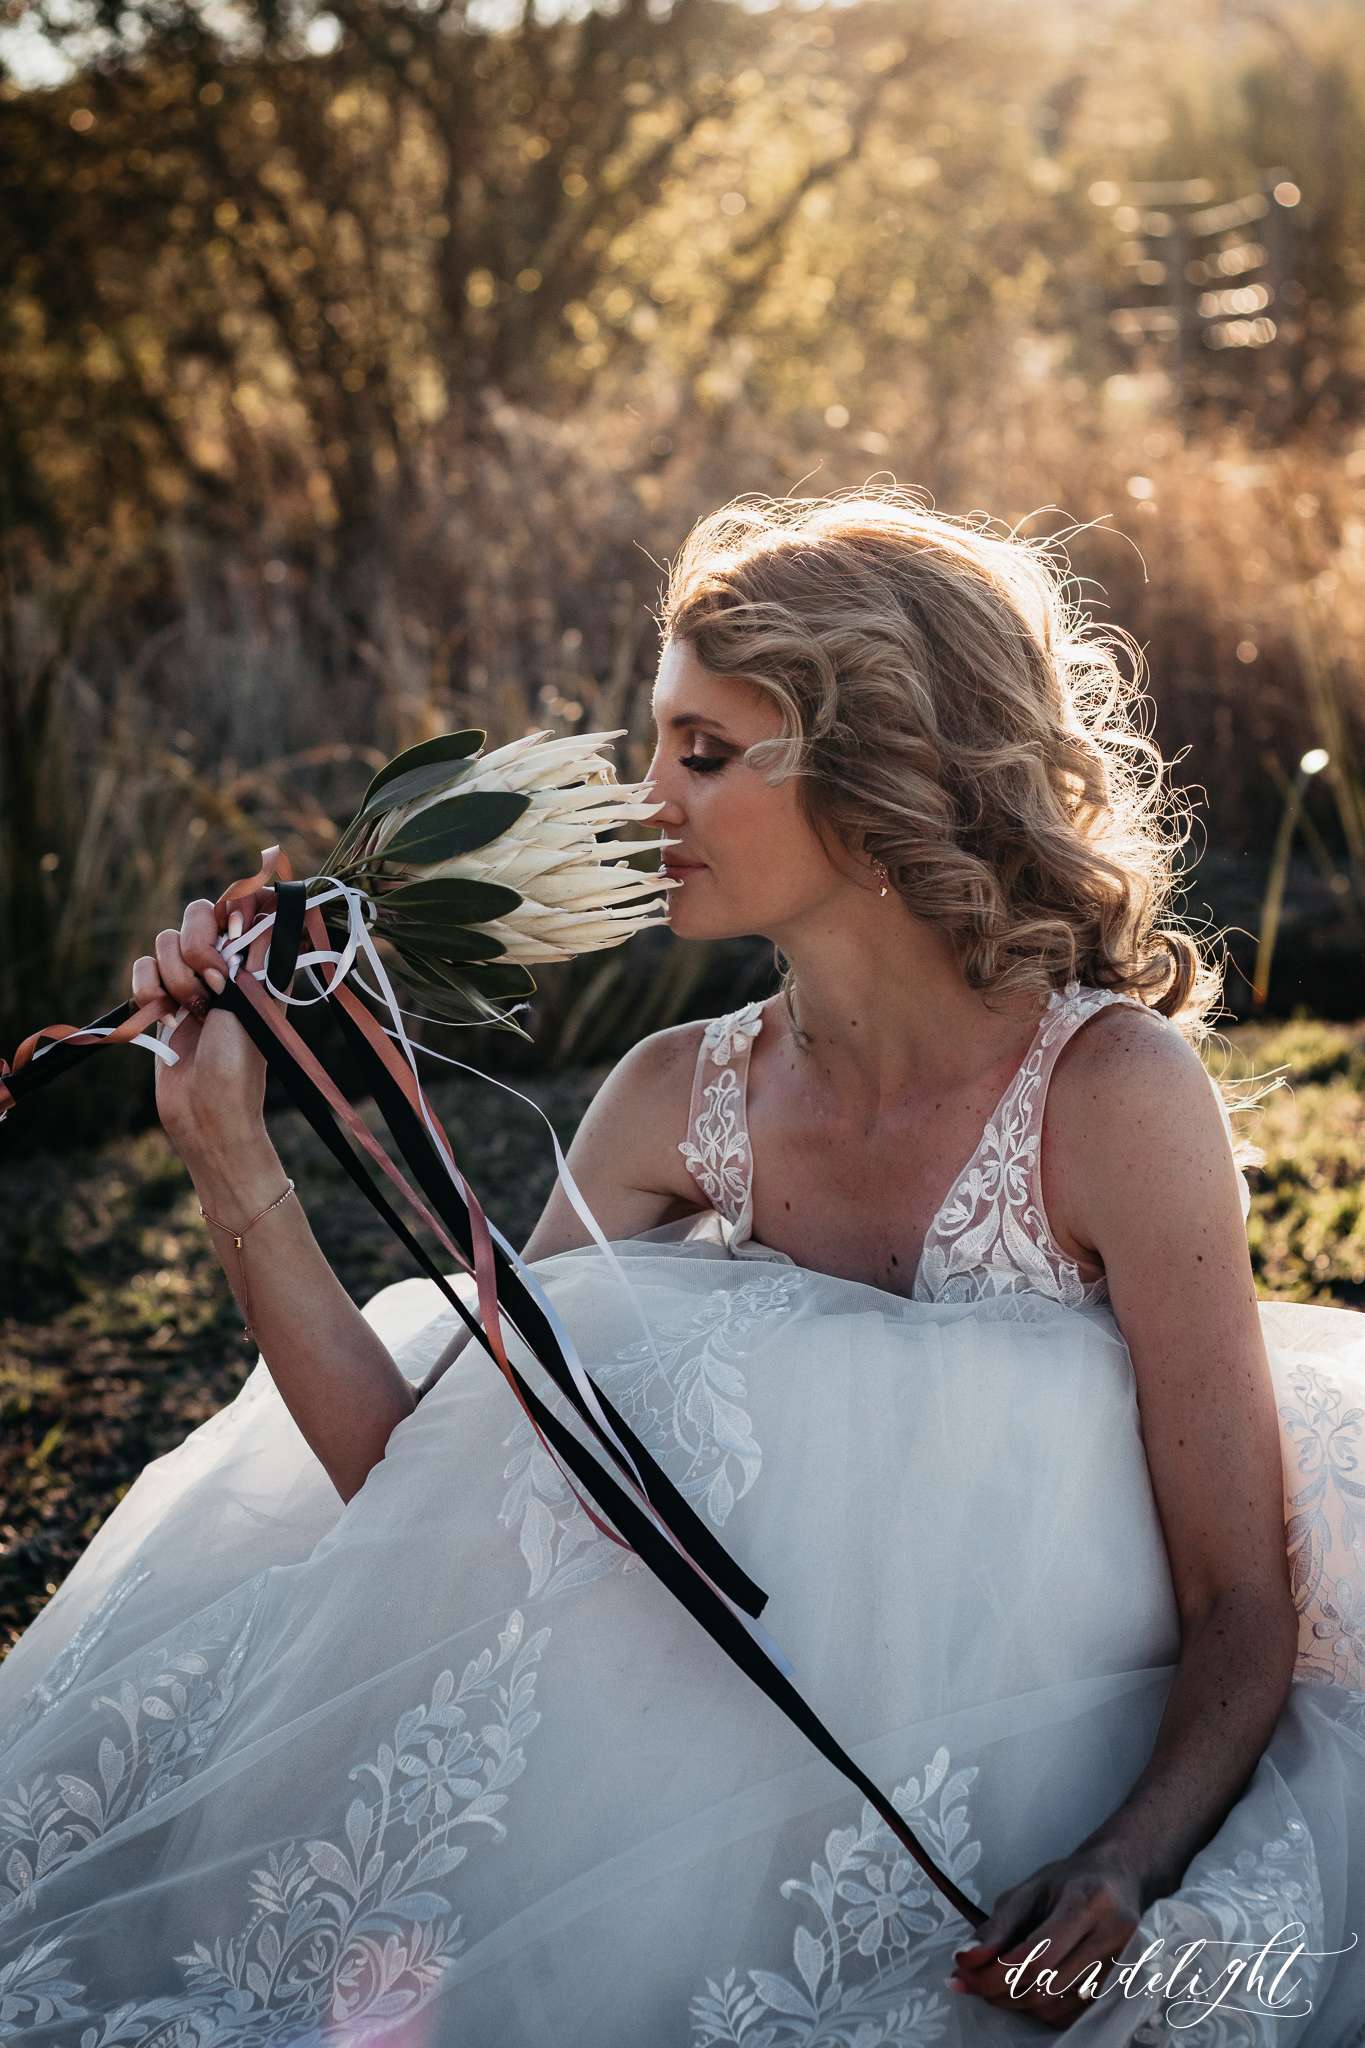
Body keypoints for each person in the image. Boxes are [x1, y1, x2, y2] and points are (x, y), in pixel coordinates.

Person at [1, 489, 1362, 2047]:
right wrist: (231, 1154)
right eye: (657, 742)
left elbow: (1237, 1597)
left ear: (880, 767)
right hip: (690, 1802)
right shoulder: (670, 1098)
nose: (645, 801)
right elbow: (418, 1473)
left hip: (1045, 1764)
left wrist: (1124, 1861)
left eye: (701, 753)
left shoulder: (1110, 1096)